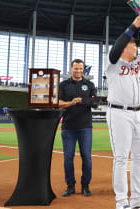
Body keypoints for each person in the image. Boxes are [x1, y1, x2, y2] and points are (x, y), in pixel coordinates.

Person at [106, 13, 140, 209]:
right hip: (119, 113)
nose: (136, 47)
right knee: (121, 158)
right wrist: (134, 25)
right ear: (125, 47)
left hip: (138, 113)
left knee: (139, 157)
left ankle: (137, 199)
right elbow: (115, 50)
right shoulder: (113, 63)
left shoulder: (139, 63)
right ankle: (121, 203)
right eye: (133, 44)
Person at [59, 59, 96, 197]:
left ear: (83, 69)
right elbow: (58, 103)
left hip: (85, 127)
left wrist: (83, 100)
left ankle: (85, 185)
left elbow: (96, 102)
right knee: (68, 158)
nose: (78, 71)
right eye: (76, 68)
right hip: (68, 126)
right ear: (71, 68)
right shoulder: (63, 85)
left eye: (81, 68)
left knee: (86, 157)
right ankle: (70, 185)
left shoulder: (89, 84)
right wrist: (70, 103)